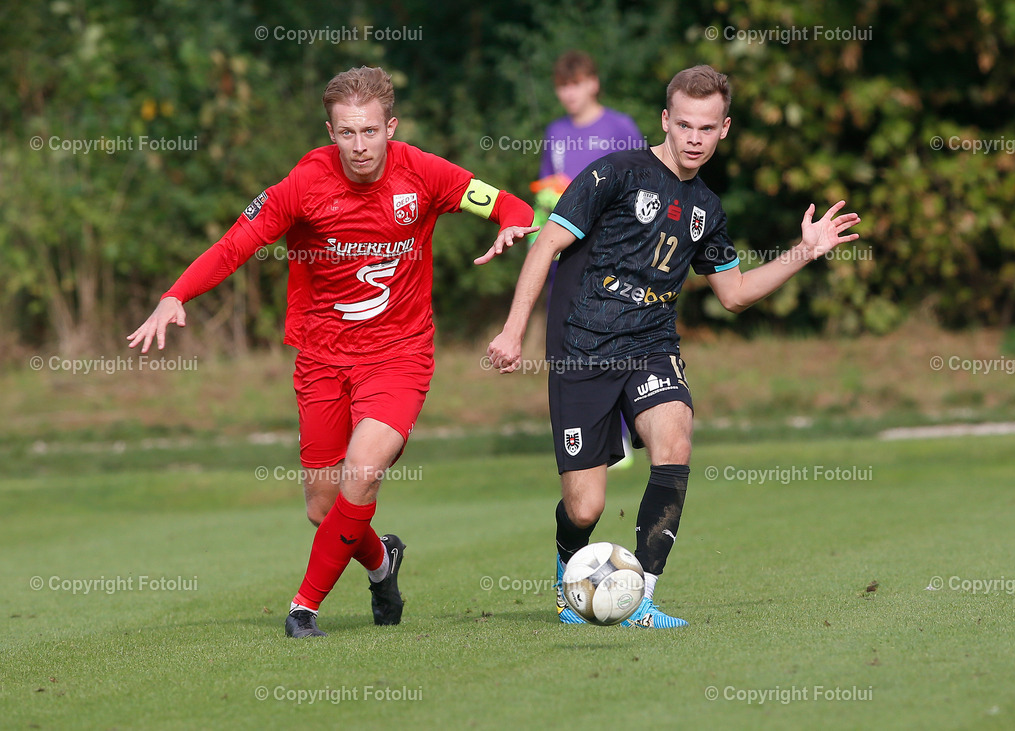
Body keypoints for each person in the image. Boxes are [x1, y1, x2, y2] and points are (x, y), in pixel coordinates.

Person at [127, 66, 536, 638]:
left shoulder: (423, 173)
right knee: (324, 509)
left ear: (390, 126)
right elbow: (235, 244)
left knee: (361, 473)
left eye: (371, 131)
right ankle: (381, 562)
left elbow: (512, 205)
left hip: (399, 354)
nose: (360, 146)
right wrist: (176, 294)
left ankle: (303, 607)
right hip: (321, 360)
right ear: (330, 130)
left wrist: (512, 226)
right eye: (347, 133)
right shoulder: (303, 183)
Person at [486, 64, 859, 628]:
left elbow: (732, 294)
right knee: (584, 507)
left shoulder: (708, 209)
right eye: (683, 124)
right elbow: (545, 250)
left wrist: (803, 252)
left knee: (675, 435)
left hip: (652, 344)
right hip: (583, 345)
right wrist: (513, 331)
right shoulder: (615, 172)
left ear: (724, 130)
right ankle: (569, 570)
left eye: (706, 128)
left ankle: (643, 597)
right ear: (665, 120)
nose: (693, 138)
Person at [534, 50, 645, 467]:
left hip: (612, 253)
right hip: (565, 252)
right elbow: (546, 189)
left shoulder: (620, 127)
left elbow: (644, 181)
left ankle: (625, 432)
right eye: (562, 86)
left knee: (613, 339)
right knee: (566, 346)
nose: (569, 93)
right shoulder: (555, 131)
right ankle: (583, 438)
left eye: (576, 84)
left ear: (593, 82)